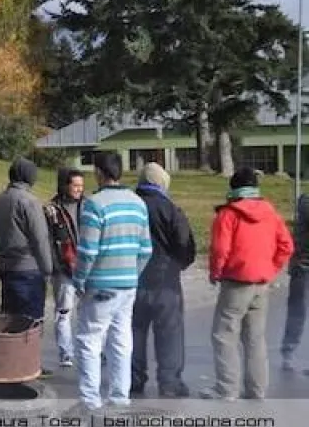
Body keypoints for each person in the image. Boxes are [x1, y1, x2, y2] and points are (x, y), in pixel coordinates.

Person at [72, 151, 152, 411]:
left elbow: (87, 251)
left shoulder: (94, 205)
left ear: (98, 173)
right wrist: (132, 273)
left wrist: (80, 280)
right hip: (128, 285)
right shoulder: (138, 203)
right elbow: (145, 250)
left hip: (100, 285)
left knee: (90, 340)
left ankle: (90, 401)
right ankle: (119, 398)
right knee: (120, 341)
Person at [205, 167, 293, 400]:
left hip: (235, 282)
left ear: (233, 188)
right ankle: (257, 390)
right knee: (255, 338)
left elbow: (220, 249)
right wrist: (271, 269)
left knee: (224, 334)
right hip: (261, 282)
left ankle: (227, 388)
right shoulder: (270, 212)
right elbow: (287, 246)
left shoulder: (228, 214)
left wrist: (216, 272)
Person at [130, 163, 196, 398]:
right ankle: (170, 382)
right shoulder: (170, 209)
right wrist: (178, 265)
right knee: (170, 333)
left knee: (134, 332)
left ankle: (133, 378)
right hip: (166, 282)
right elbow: (185, 245)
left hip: (133, 281)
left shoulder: (130, 206)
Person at [0, 157, 54, 323]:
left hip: (6, 268)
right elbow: (40, 238)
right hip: (29, 271)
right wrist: (48, 269)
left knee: (9, 322)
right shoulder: (29, 202)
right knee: (30, 325)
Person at [44, 167, 85, 368]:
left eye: (81, 186)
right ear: (64, 185)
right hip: (63, 269)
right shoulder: (51, 210)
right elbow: (48, 241)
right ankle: (66, 353)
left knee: (91, 311)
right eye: (75, 185)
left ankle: (97, 350)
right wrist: (54, 266)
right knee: (63, 313)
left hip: (86, 268)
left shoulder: (88, 206)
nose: (79, 189)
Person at [282, 194, 309, 371]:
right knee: (298, 310)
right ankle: (288, 351)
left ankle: (289, 350)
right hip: (303, 265)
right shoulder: (306, 202)